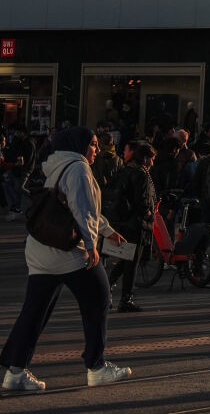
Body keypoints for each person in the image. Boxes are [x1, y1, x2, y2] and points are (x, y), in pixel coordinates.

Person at [0, 127, 133, 392]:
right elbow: (82, 209)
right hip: (68, 251)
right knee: (99, 298)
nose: (96, 149)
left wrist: (107, 230)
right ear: (79, 145)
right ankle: (96, 367)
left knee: (35, 310)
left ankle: (15, 371)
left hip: (40, 248)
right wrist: (93, 243)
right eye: (93, 144)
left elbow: (71, 206)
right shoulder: (79, 169)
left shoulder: (57, 165)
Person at [104, 143, 157, 313]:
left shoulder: (125, 170)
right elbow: (141, 200)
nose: (153, 163)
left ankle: (108, 286)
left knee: (127, 259)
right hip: (136, 224)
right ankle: (126, 298)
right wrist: (148, 213)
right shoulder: (141, 174)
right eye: (152, 159)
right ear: (146, 158)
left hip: (122, 221)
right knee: (132, 263)